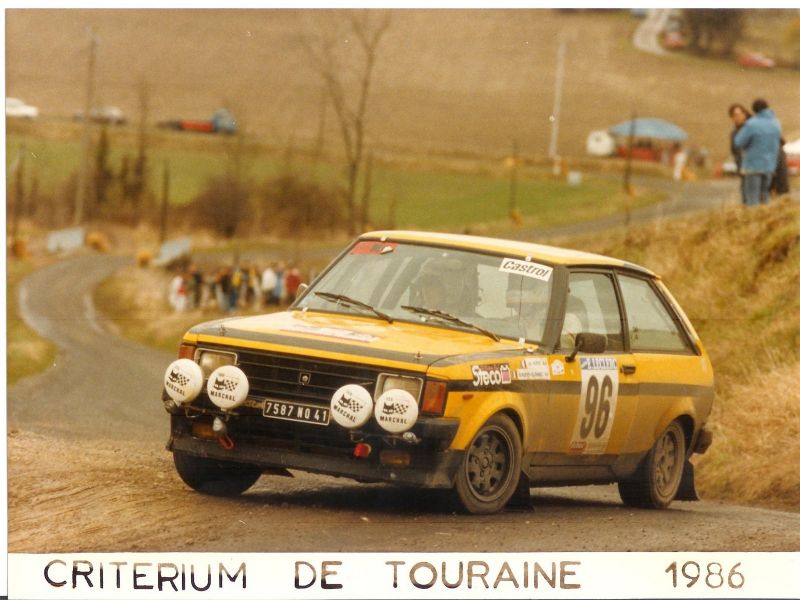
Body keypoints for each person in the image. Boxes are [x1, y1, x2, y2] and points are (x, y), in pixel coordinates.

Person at [733, 98, 782, 206]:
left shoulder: (752, 124)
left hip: (753, 166)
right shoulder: (776, 123)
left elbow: (738, 142)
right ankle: (765, 219)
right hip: (769, 166)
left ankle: (753, 220)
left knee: (752, 197)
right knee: (765, 195)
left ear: (754, 110)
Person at [728, 103, 751, 204]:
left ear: (745, 114)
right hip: (742, 168)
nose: (737, 117)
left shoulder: (751, 129)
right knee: (745, 195)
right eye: (734, 115)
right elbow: (734, 151)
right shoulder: (734, 133)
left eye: (739, 114)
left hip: (753, 167)